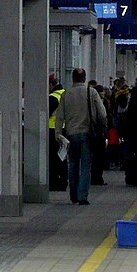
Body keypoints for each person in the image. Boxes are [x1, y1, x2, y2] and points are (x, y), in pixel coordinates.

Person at [55, 68, 107, 206]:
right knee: (85, 166)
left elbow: (60, 116)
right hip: (87, 134)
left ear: (73, 78)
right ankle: (82, 196)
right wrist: (103, 127)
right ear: (84, 78)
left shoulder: (66, 95)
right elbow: (102, 114)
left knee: (72, 165)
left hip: (70, 135)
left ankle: (73, 196)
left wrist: (58, 134)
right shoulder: (91, 92)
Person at [48, 75, 68, 191]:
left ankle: (55, 182)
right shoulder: (65, 94)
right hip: (65, 129)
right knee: (62, 157)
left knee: (53, 159)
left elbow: (47, 114)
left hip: (53, 130)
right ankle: (64, 181)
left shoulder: (53, 98)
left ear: (51, 85)